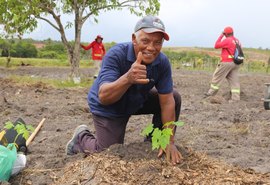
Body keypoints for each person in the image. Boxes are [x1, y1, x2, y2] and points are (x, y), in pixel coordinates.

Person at [66, 15, 182, 165]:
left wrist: (170, 141)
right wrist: (128, 78)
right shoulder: (116, 55)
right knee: (108, 153)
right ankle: (80, 138)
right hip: (109, 104)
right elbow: (104, 96)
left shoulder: (162, 62)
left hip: (136, 99)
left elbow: (167, 102)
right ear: (134, 39)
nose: (151, 48)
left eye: (157, 43)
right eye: (145, 41)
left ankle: (155, 141)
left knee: (174, 96)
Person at [205, 26, 242, 101]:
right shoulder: (237, 40)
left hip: (226, 62)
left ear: (226, 34)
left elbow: (216, 45)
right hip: (236, 63)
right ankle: (235, 98)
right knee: (234, 81)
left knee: (217, 76)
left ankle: (211, 93)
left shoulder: (227, 40)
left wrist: (221, 35)